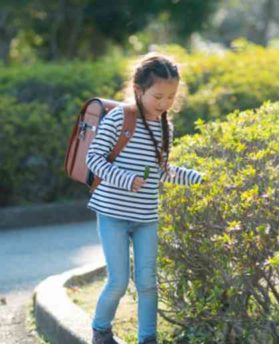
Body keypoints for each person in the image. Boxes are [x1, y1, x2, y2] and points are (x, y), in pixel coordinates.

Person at [86, 52, 205, 344]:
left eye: (171, 97)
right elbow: (93, 158)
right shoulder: (120, 118)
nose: (165, 104)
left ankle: (148, 338)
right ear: (139, 90)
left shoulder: (166, 127)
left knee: (148, 283)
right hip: (112, 213)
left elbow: (163, 171)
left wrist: (199, 180)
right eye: (158, 97)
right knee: (118, 281)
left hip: (146, 217)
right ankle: (101, 330)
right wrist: (126, 179)